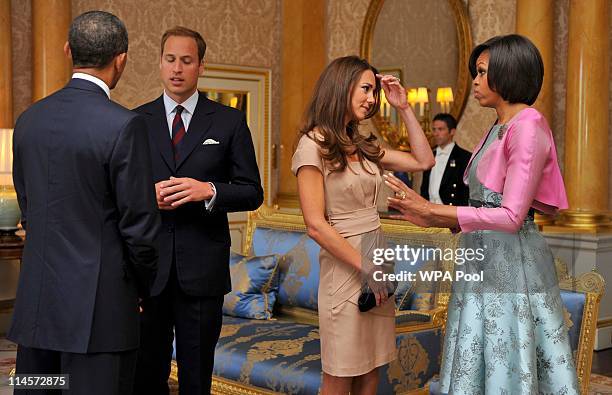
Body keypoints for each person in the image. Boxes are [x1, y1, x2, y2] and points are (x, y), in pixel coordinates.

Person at [385, 34, 579, 394]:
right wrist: (426, 215)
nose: (475, 80)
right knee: (478, 349)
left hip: (511, 262)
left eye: (482, 72)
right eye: (475, 72)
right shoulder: (498, 127)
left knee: (506, 354)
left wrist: (433, 208)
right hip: (482, 255)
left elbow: (511, 216)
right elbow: (480, 204)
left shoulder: (528, 125)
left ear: (508, 74)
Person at [9, 11, 160, 395]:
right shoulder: (124, 125)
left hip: (37, 309)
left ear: (67, 51)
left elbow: (30, 208)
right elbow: (140, 229)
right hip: (100, 316)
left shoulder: (29, 120)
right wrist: (141, 289)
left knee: (38, 389)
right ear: (121, 59)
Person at [292, 55, 434, 395]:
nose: (372, 99)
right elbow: (315, 225)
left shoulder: (362, 145)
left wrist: (403, 108)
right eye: (366, 89)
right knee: (340, 376)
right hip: (347, 269)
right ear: (341, 87)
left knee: (371, 371)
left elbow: (423, 160)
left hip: (377, 265)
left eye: (374, 92)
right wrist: (366, 266)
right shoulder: (312, 145)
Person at [133, 26, 264, 394]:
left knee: (196, 376)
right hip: (148, 270)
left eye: (186, 60)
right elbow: (118, 192)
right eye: (170, 59)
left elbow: (253, 192)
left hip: (202, 272)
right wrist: (147, 197)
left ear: (200, 66)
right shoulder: (135, 121)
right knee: (146, 373)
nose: (177, 68)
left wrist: (207, 190)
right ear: (160, 64)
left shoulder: (228, 121)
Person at [420, 113, 471, 206]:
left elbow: (466, 191)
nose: (436, 133)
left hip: (451, 213)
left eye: (440, 129)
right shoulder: (429, 156)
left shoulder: (464, 157)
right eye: (434, 129)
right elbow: (424, 187)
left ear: (452, 131)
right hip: (428, 210)